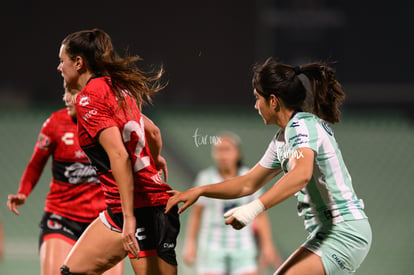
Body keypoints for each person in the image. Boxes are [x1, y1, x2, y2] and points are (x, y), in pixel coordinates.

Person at [166, 58, 372, 275]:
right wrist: (200, 191)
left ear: (273, 101)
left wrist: (253, 208)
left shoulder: (300, 126)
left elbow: (301, 174)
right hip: (326, 232)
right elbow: (248, 184)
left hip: (344, 231)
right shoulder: (282, 139)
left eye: (257, 98)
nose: (256, 106)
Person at [57, 28, 179, 275]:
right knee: (74, 270)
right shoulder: (118, 89)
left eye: (62, 61)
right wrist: (153, 161)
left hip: (141, 210)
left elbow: (120, 156)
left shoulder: (88, 98)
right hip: (127, 209)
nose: (60, 68)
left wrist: (130, 220)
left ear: (78, 62)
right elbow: (152, 132)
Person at [7, 86, 124, 275]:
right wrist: (23, 192)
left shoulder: (112, 125)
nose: (66, 98)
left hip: (105, 220)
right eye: (65, 92)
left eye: (72, 93)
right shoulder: (55, 123)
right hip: (62, 219)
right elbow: (36, 164)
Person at [183, 132, 283, 275]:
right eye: (219, 150)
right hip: (212, 246)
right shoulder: (205, 178)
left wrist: (267, 245)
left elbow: (261, 215)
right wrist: (190, 244)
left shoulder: (249, 177)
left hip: (242, 245)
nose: (223, 155)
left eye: (227, 150)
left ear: (238, 153)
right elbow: (196, 215)